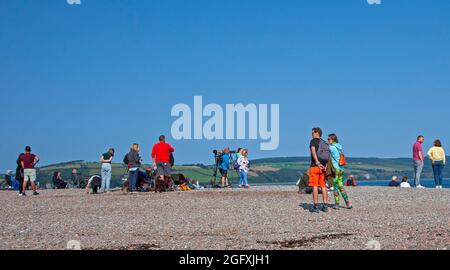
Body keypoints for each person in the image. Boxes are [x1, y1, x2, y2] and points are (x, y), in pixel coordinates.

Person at [328, 134, 352, 210]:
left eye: (329, 139)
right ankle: (347, 202)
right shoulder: (339, 146)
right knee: (341, 186)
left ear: (333, 139)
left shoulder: (331, 147)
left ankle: (337, 204)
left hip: (335, 169)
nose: (327, 140)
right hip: (341, 169)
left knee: (335, 187)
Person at [309, 127, 330, 213]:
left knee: (315, 186)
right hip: (323, 167)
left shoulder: (313, 141)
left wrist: (317, 162)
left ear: (316, 132)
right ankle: (325, 206)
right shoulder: (324, 143)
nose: (311, 134)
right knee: (323, 186)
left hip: (315, 166)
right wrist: (325, 166)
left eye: (312, 132)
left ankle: (315, 206)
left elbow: (313, 151)